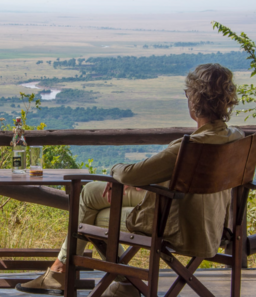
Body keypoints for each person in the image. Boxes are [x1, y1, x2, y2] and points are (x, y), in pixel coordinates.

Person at [15, 63, 243, 297]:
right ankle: (101, 279)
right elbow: (147, 176)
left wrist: (119, 171)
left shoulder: (192, 147)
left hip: (177, 224)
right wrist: (142, 180)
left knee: (94, 218)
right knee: (92, 191)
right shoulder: (236, 138)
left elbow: (128, 174)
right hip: (211, 219)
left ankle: (108, 278)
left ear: (194, 102)